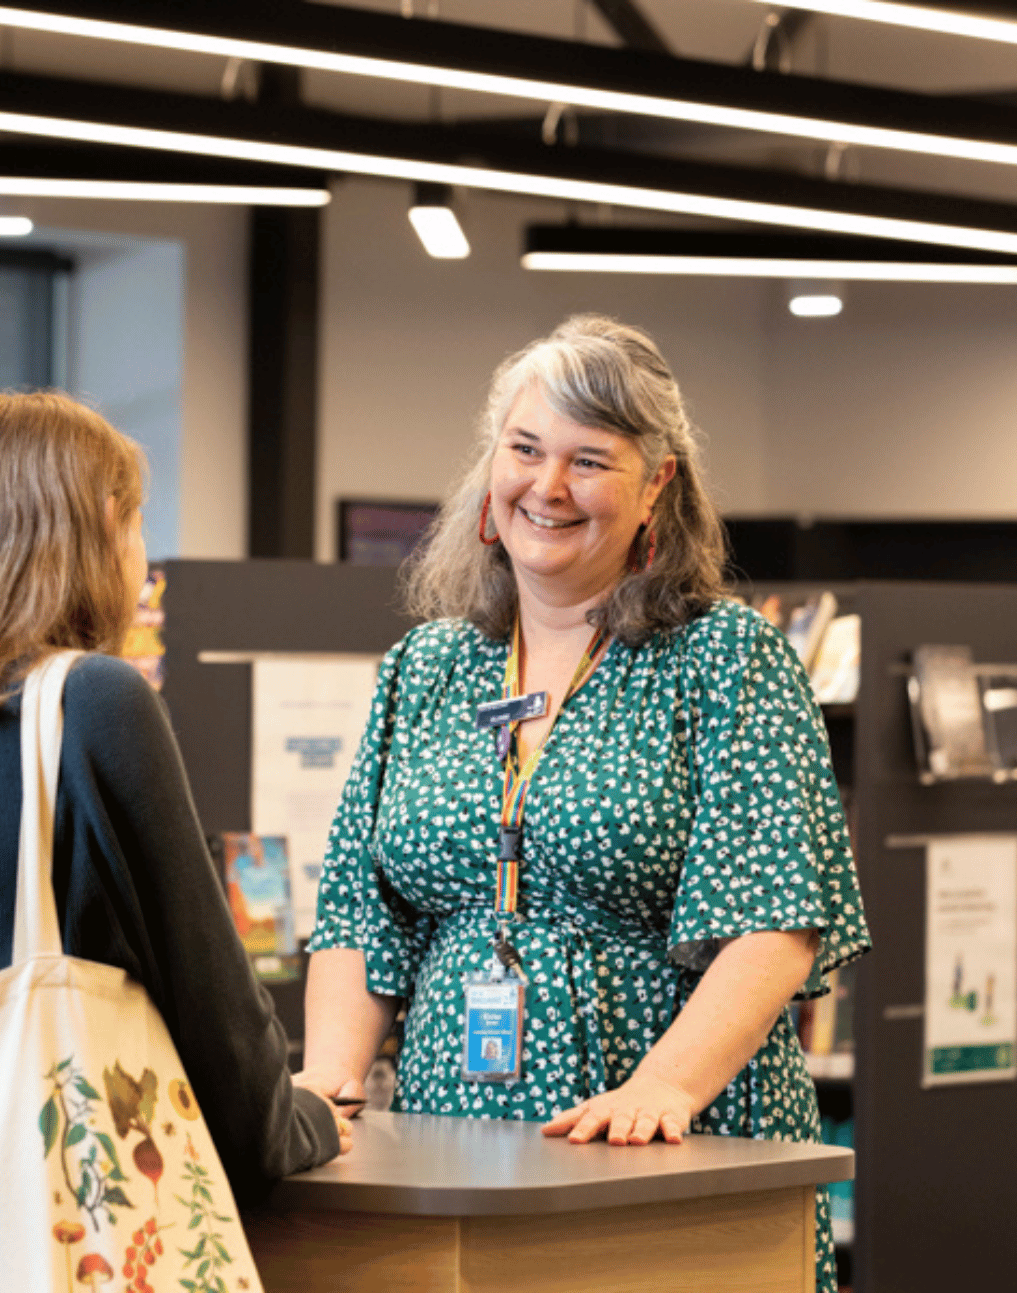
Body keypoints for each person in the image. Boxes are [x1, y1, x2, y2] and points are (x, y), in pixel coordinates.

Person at [296, 315, 869, 1293]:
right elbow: (359, 905)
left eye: (589, 461)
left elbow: (778, 918)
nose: (547, 487)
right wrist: (327, 1089)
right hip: (450, 1152)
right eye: (524, 451)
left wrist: (663, 1089)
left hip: (666, 1153)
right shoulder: (426, 668)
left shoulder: (727, 659)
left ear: (659, 485)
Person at [0, 391, 348, 1292]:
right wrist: (302, 1116)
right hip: (19, 1247)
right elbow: (212, 999)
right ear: (99, 530)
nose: (146, 562)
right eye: (137, 527)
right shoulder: (94, 702)